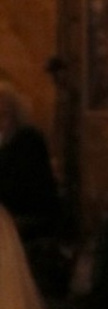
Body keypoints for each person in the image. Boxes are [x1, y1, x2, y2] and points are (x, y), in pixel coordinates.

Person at [0, 83, 59, 244]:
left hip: (29, 217)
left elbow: (17, 189)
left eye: (4, 115)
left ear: (16, 116)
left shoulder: (29, 140)